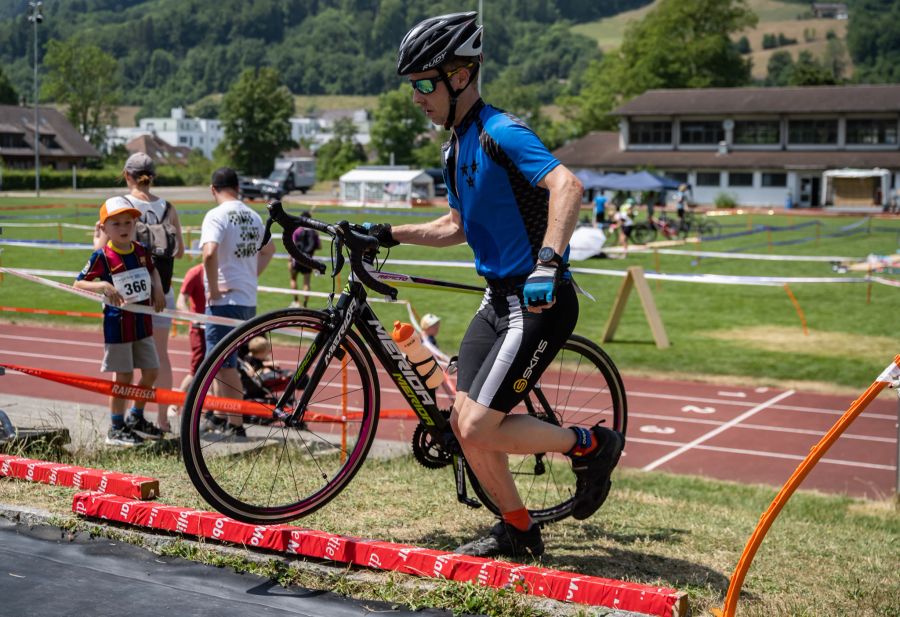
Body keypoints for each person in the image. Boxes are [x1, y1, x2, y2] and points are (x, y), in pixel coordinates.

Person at [367, 12, 625, 560]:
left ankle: (592, 445)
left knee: (481, 425)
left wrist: (549, 261)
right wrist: (385, 232)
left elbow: (567, 184)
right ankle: (519, 531)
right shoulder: (453, 145)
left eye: (422, 83)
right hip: (495, 302)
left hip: (540, 300)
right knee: (463, 425)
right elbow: (454, 227)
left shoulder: (500, 131)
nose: (415, 97)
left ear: (459, 76)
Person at [94, 153, 185, 434]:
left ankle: (120, 422)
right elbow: (179, 251)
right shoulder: (167, 207)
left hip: (126, 295)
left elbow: (100, 251)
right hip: (161, 292)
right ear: (153, 176)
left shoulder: (119, 206)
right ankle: (159, 418)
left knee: (124, 364)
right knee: (159, 359)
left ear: (126, 175)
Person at [75, 197, 166, 446]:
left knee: (151, 372)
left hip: (142, 324)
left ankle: (136, 416)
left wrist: (157, 289)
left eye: (128, 222)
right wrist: (103, 285)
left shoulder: (140, 251)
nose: (124, 228)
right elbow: (78, 283)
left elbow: (152, 270)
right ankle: (116, 426)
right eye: (116, 224)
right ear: (104, 228)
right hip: (118, 326)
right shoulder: (101, 257)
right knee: (123, 376)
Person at [200, 167, 276, 437]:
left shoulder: (216, 215)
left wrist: (213, 290)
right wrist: (250, 275)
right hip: (246, 298)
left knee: (222, 364)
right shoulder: (253, 216)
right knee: (224, 362)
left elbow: (209, 254)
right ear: (238, 188)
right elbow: (270, 250)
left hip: (225, 299)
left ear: (213, 190)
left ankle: (235, 422)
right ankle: (222, 415)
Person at [288, 211, 321, 308]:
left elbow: (292, 245)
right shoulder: (314, 232)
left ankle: (296, 301)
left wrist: (290, 259)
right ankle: (305, 304)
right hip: (308, 260)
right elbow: (319, 246)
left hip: (297, 258)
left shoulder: (297, 231)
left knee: (293, 279)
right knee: (306, 282)